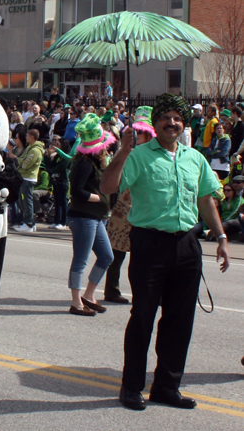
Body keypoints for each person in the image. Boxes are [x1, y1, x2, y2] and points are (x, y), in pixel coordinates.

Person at [101, 93, 230, 411]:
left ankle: (166, 386)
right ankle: (131, 387)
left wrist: (222, 236)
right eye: (165, 117)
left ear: (184, 124)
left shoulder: (195, 158)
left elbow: (205, 200)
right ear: (155, 123)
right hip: (149, 244)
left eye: (176, 118)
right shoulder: (138, 155)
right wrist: (124, 150)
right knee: (142, 316)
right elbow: (107, 186)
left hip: (187, 245)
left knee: (180, 320)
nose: (171, 122)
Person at [105, 106, 156, 304]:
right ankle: (111, 290)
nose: (138, 135)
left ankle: (146, 292)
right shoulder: (127, 152)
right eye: (136, 132)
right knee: (117, 253)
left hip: (145, 207)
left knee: (145, 256)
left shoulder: (154, 153)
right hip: (124, 208)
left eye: (143, 132)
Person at [67, 113, 115, 316]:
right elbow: (76, 190)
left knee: (106, 256)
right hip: (83, 216)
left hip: (96, 217)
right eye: (103, 144)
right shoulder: (85, 163)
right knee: (81, 259)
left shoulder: (96, 163)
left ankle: (89, 294)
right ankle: (76, 302)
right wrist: (97, 198)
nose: (106, 148)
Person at [13, 129, 44, 233]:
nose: (25, 138)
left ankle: (29, 223)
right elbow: (22, 159)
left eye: (27, 136)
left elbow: (26, 164)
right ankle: (29, 222)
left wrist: (18, 160)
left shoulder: (35, 150)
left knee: (27, 201)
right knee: (22, 201)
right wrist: (20, 160)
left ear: (32, 137)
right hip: (24, 177)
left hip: (28, 178)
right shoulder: (29, 148)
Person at [45, 136, 70, 229]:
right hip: (55, 180)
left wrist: (52, 170)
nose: (56, 145)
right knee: (57, 202)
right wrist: (48, 156)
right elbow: (50, 165)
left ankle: (63, 222)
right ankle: (56, 221)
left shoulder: (66, 156)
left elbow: (61, 167)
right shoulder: (57, 156)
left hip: (63, 181)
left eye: (58, 144)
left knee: (63, 202)